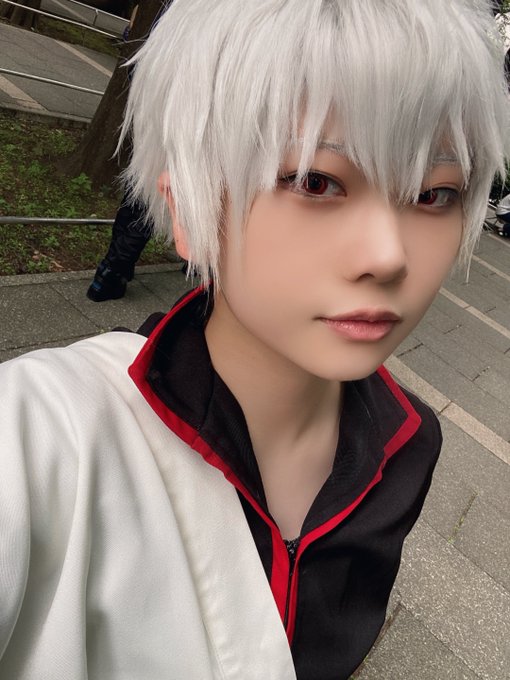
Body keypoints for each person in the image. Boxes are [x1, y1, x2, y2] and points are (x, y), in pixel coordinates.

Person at [0, 1, 508, 678]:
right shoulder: (47, 438)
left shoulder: (410, 445)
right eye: (315, 182)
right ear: (188, 206)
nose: (389, 256)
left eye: (433, 195)